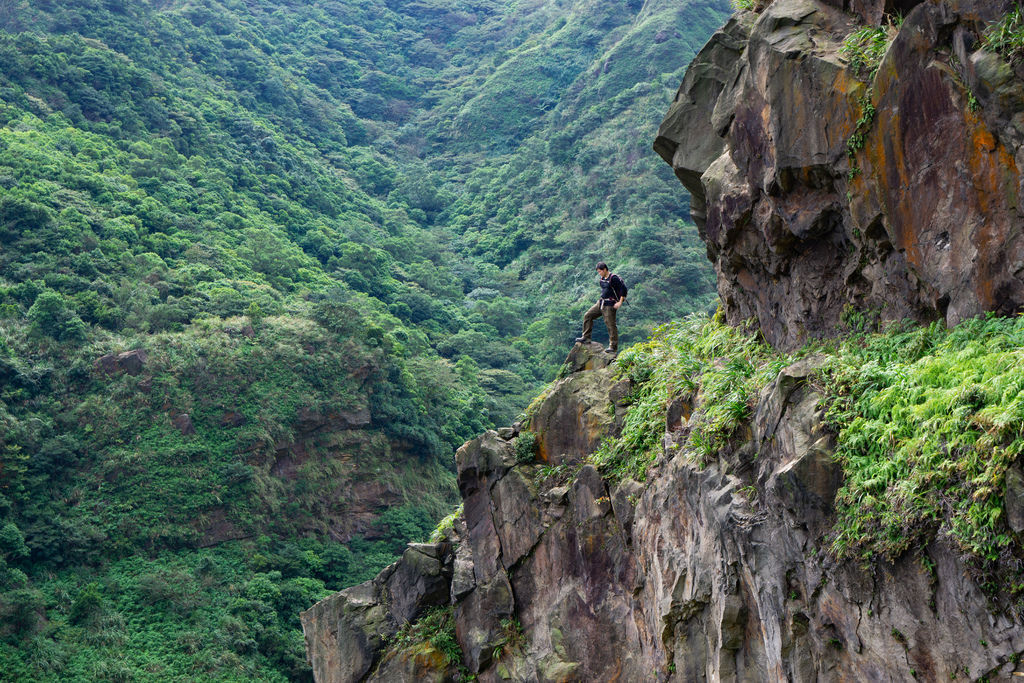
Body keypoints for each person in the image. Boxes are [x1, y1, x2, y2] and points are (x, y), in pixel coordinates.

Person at [575, 262, 626, 353]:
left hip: (610, 304)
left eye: (600, 271)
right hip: (601, 302)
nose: (599, 273)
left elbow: (623, 289)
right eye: (598, 272)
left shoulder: (613, 278)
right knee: (588, 315)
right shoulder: (602, 278)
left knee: (610, 325)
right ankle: (586, 337)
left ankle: (613, 347)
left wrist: (620, 302)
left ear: (605, 269)